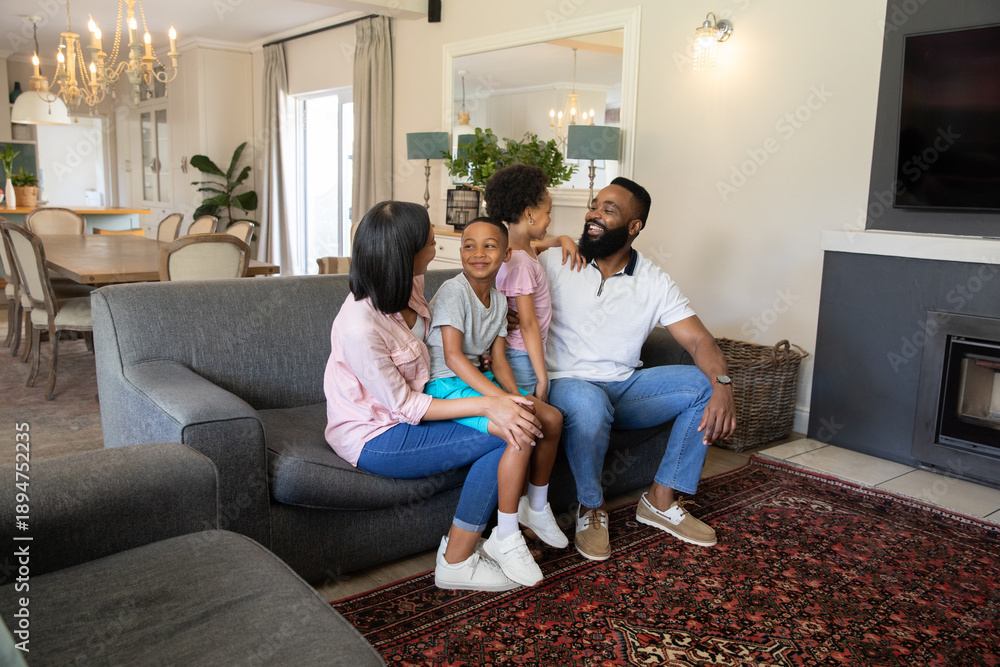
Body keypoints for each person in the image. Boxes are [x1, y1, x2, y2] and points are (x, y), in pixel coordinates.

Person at [323, 201, 544, 592]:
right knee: (511, 431)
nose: (435, 247)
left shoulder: (409, 282)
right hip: (377, 434)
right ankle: (459, 559)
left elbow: (442, 341)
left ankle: (498, 537)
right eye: (429, 242)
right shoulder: (360, 326)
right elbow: (405, 406)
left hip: (419, 405)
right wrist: (490, 403)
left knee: (516, 425)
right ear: (405, 255)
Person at [540, 177, 737, 561]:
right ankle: (591, 507)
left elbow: (700, 340)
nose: (594, 215)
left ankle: (659, 501)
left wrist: (723, 385)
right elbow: (500, 251)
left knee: (703, 386)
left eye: (608, 210)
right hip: (567, 384)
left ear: (635, 226)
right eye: (594, 205)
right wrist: (550, 241)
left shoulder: (654, 281)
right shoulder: (557, 260)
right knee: (589, 405)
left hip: (623, 387)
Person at [424, 217, 567, 587]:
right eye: (469, 245)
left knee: (551, 418)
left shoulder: (500, 300)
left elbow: (500, 359)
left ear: (506, 254)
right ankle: (505, 534)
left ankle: (536, 507)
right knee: (519, 427)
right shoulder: (453, 292)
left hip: (477, 378)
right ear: (460, 252)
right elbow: (453, 358)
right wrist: (504, 401)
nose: (478, 253)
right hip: (446, 384)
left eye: (489, 246)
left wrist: (516, 395)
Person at [484, 164, 581, 403]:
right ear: (529, 213)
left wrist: (562, 239)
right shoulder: (521, 264)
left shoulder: (515, 250)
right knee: (532, 415)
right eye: (548, 212)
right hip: (521, 355)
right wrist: (542, 377)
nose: (549, 219)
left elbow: (537, 248)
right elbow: (528, 324)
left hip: (518, 352)